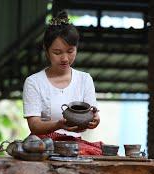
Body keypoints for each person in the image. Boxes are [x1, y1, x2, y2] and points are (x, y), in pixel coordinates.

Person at [22, 10, 103, 155]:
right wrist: (59, 125)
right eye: (57, 53)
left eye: (70, 51)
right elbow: (34, 126)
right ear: (46, 51)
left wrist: (94, 121)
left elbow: (92, 116)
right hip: (43, 145)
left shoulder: (84, 80)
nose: (65, 58)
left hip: (75, 146)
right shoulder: (34, 82)